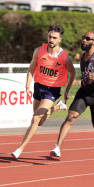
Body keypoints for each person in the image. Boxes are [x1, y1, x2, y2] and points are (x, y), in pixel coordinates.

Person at [11, 24, 75, 159]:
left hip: (52, 91)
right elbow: (30, 69)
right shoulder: (39, 51)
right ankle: (58, 107)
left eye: (54, 38)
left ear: (60, 40)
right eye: (50, 37)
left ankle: (19, 149)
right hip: (38, 87)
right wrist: (27, 86)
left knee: (35, 119)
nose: (51, 40)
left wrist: (66, 91)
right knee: (39, 122)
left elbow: (73, 73)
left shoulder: (65, 58)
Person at [50, 31, 94, 157]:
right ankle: (57, 147)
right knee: (71, 117)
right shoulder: (82, 56)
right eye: (83, 38)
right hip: (83, 92)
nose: (84, 40)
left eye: (87, 39)